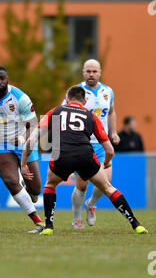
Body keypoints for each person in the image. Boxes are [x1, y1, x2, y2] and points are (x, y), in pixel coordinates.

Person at [21, 86, 148, 235]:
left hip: (62, 156)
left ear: (67, 99)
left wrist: (23, 164)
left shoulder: (56, 111)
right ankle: (136, 224)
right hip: (85, 156)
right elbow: (110, 150)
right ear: (85, 101)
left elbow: (32, 140)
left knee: (50, 184)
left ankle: (49, 226)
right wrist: (106, 162)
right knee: (108, 188)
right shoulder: (90, 116)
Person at [0, 66, 44, 233]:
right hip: (1, 143)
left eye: (2, 78)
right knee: (10, 181)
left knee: (35, 189)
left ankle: (29, 189)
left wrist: (21, 139)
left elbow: (33, 125)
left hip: (24, 141)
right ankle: (38, 222)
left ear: (7, 79)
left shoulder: (20, 98)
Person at [64, 59, 120, 229]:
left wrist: (113, 132)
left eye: (94, 71)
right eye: (88, 71)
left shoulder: (107, 91)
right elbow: (62, 113)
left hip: (102, 144)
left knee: (106, 182)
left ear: (100, 72)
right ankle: (76, 218)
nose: (91, 74)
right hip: (82, 144)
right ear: (83, 72)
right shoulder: (76, 92)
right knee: (81, 185)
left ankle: (90, 204)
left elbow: (111, 112)